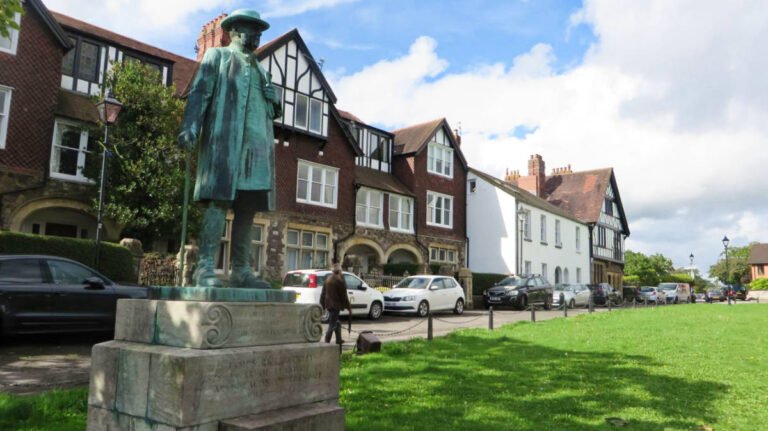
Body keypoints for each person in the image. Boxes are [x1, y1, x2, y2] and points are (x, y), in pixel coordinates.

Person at [177, 9, 281, 288]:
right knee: (218, 201)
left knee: (248, 207)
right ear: (234, 31)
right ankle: (204, 268)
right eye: (252, 30)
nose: (257, 36)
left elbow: (271, 111)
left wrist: (275, 100)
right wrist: (190, 126)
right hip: (226, 142)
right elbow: (200, 94)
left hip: (257, 148)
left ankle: (240, 270)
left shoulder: (263, 70)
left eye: (259, 32)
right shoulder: (218, 57)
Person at [320, 265, 351, 345]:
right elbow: (344, 296)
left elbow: (323, 294)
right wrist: (349, 307)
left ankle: (338, 339)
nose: (342, 271)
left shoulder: (327, 280)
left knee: (337, 323)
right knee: (332, 324)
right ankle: (326, 342)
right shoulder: (340, 281)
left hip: (329, 305)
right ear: (339, 271)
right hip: (335, 305)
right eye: (341, 270)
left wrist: (323, 306)